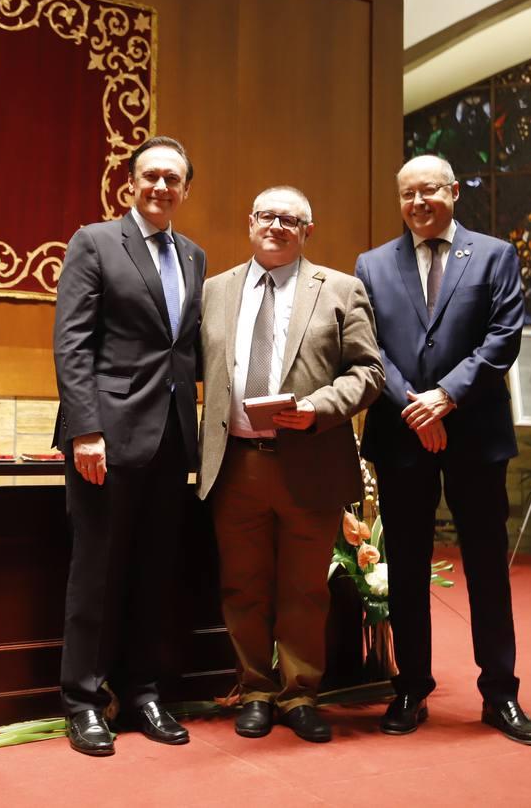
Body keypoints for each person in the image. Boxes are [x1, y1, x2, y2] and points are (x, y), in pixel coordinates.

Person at [354, 155, 531, 746]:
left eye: (430, 191)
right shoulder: (371, 263)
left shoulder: (494, 255)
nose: (418, 202)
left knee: (488, 566)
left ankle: (501, 693)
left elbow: (503, 338)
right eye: (407, 193)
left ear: (454, 192)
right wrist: (416, 406)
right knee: (407, 566)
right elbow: (368, 345)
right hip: (402, 432)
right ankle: (411, 686)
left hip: (475, 434)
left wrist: (447, 398)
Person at [198, 186, 384, 743]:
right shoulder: (213, 291)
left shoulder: (342, 290)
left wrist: (318, 407)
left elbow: (368, 373)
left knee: (305, 589)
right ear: (249, 222)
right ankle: (255, 690)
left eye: (289, 219)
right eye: (266, 216)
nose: (275, 225)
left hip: (310, 461)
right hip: (237, 464)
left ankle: (301, 693)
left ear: (308, 229)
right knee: (243, 586)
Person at [51, 135, 206, 757]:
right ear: (131, 182)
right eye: (151, 176)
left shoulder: (193, 255)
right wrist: (84, 429)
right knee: (97, 572)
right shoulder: (94, 241)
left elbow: (184, 349)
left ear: (186, 189)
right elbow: (72, 342)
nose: (161, 187)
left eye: (173, 178)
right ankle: (84, 702)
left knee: (154, 571)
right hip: (107, 437)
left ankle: (143, 692)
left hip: (172, 436)